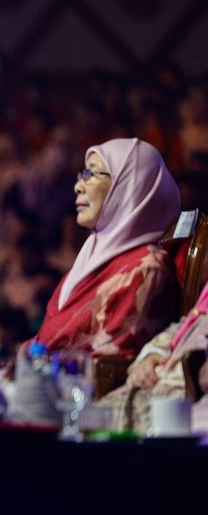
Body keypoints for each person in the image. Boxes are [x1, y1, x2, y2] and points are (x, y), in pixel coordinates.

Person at [33, 139, 180, 356]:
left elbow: (110, 361)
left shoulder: (147, 269)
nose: (78, 186)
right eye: (82, 175)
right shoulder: (90, 255)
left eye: (91, 174)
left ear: (129, 185)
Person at [98, 281, 208, 434]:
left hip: (181, 402)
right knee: (89, 418)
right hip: (154, 389)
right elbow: (184, 325)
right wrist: (152, 354)